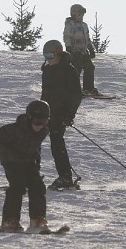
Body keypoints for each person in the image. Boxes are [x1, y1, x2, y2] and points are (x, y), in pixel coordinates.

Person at [0, 100, 51, 232]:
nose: (39, 125)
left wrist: (36, 163)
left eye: (43, 121)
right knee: (17, 186)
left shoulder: (43, 131)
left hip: (28, 161)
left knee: (38, 186)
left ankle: (37, 219)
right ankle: (9, 221)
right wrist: (3, 144)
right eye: (36, 121)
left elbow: (36, 147)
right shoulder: (15, 129)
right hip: (11, 161)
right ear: (30, 118)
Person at [40, 39, 82, 190]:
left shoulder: (69, 70)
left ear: (58, 53)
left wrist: (68, 116)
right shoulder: (47, 70)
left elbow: (77, 95)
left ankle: (65, 177)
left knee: (57, 143)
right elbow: (45, 93)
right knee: (31, 140)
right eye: (45, 56)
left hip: (60, 114)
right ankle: (29, 174)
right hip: (45, 113)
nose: (48, 59)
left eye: (50, 56)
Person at [63, 4, 99, 96]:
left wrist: (90, 48)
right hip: (75, 51)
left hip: (83, 51)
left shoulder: (84, 25)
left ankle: (88, 88)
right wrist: (68, 48)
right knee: (76, 69)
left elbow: (87, 38)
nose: (81, 17)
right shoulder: (70, 24)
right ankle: (74, 88)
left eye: (82, 15)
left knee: (90, 67)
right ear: (74, 14)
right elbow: (67, 36)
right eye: (79, 15)